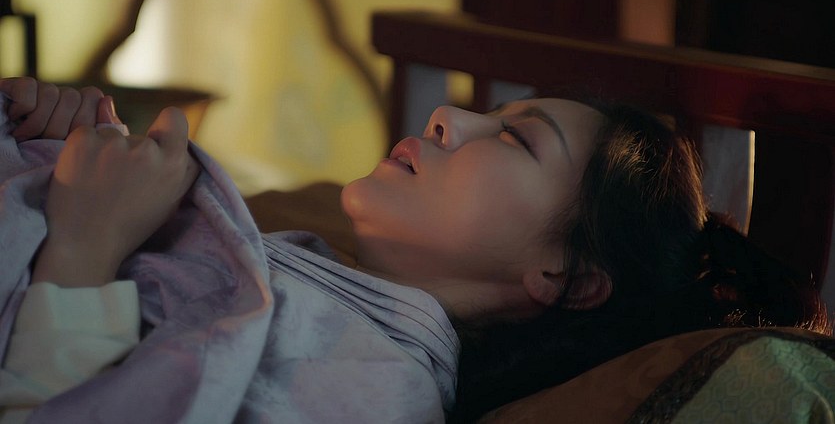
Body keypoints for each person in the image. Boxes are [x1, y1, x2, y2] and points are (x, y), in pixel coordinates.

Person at [0, 78, 828, 423]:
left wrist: (83, 243)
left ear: (565, 276)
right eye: (485, 113)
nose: (445, 117)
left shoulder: (371, 388)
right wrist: (58, 146)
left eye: (515, 139)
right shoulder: (312, 274)